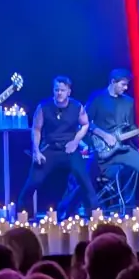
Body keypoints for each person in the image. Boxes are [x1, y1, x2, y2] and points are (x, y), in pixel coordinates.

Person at [18, 76, 97, 217]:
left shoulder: (77, 106)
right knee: (33, 182)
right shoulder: (43, 107)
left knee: (85, 181)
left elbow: (85, 124)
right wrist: (36, 151)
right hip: (50, 148)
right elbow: (36, 129)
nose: (59, 93)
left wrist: (76, 141)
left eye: (62, 90)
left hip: (70, 148)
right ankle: (24, 217)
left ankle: (94, 217)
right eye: (56, 90)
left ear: (68, 92)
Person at [85, 69, 139, 213]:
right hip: (102, 151)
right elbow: (85, 123)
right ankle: (88, 211)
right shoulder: (97, 98)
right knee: (85, 176)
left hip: (123, 148)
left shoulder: (129, 102)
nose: (126, 88)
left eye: (127, 85)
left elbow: (129, 128)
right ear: (113, 82)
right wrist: (105, 135)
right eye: (123, 85)